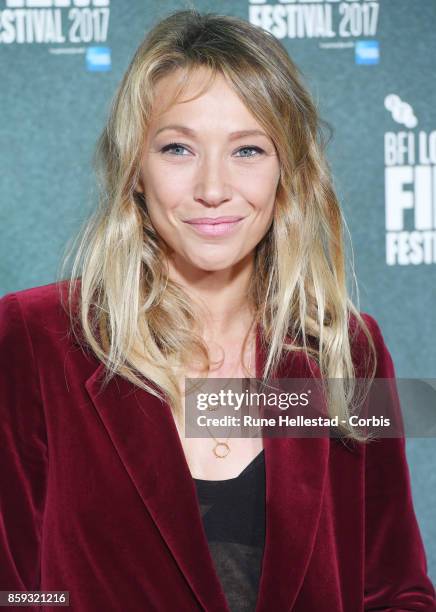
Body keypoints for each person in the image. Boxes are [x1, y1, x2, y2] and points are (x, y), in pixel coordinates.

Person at [0, 8, 435, 612]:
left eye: (248, 150)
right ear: (135, 169)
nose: (212, 187)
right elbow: (16, 591)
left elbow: (395, 592)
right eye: (178, 147)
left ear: (290, 172)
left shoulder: (350, 350)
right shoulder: (34, 337)